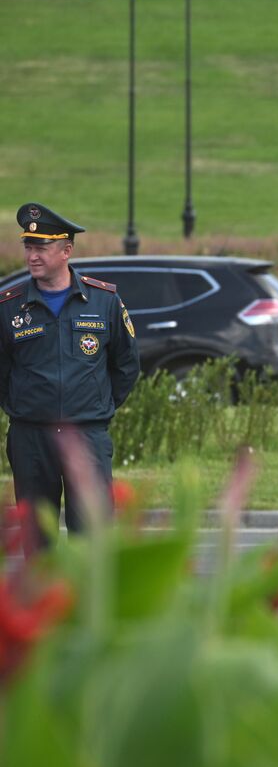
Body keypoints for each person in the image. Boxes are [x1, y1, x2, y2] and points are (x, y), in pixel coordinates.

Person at [0, 204, 140, 544]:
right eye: (29, 247)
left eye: (42, 248)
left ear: (66, 251)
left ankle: (87, 600)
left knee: (92, 540)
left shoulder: (103, 301)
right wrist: (24, 406)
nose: (32, 256)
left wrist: (94, 404)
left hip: (86, 435)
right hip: (31, 437)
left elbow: (125, 364)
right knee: (36, 541)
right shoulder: (9, 306)